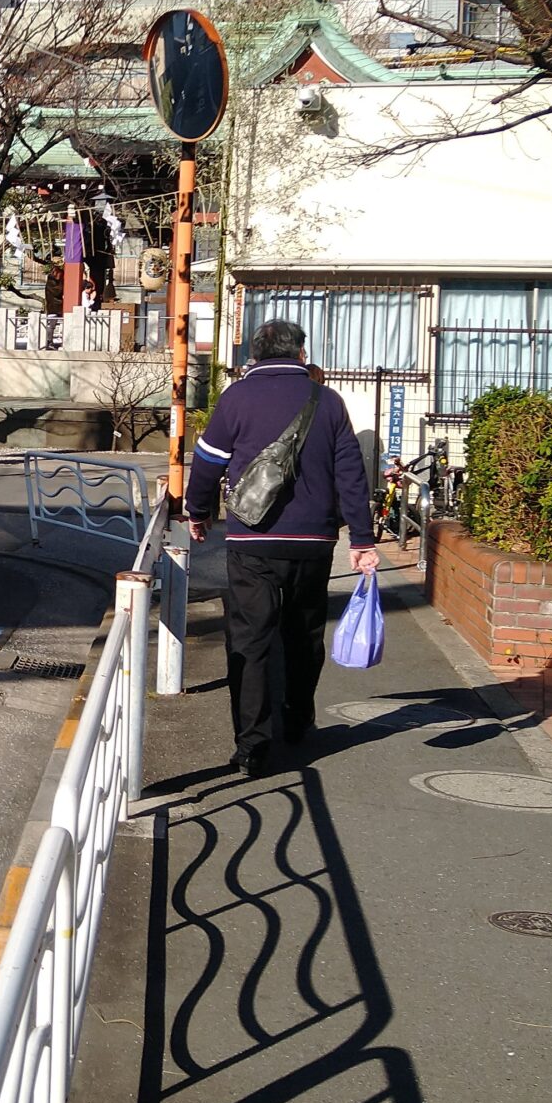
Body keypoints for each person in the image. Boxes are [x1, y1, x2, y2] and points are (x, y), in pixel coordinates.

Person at [184, 317, 378, 778]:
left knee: (251, 640)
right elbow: (350, 472)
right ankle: (296, 718)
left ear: (254, 354)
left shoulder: (236, 398)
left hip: (253, 539)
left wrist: (199, 512)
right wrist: (363, 538)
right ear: (300, 354)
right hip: (314, 541)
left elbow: (208, 462)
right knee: (304, 633)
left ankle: (252, 744)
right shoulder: (327, 402)